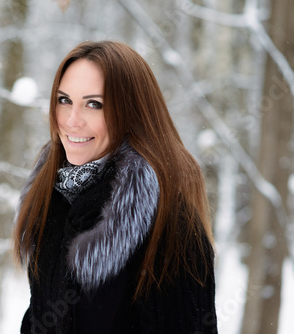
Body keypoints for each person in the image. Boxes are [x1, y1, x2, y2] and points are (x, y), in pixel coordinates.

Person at [12, 40, 218, 334]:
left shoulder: (169, 222)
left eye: (93, 104)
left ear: (130, 112)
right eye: (64, 100)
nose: (72, 121)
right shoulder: (50, 199)